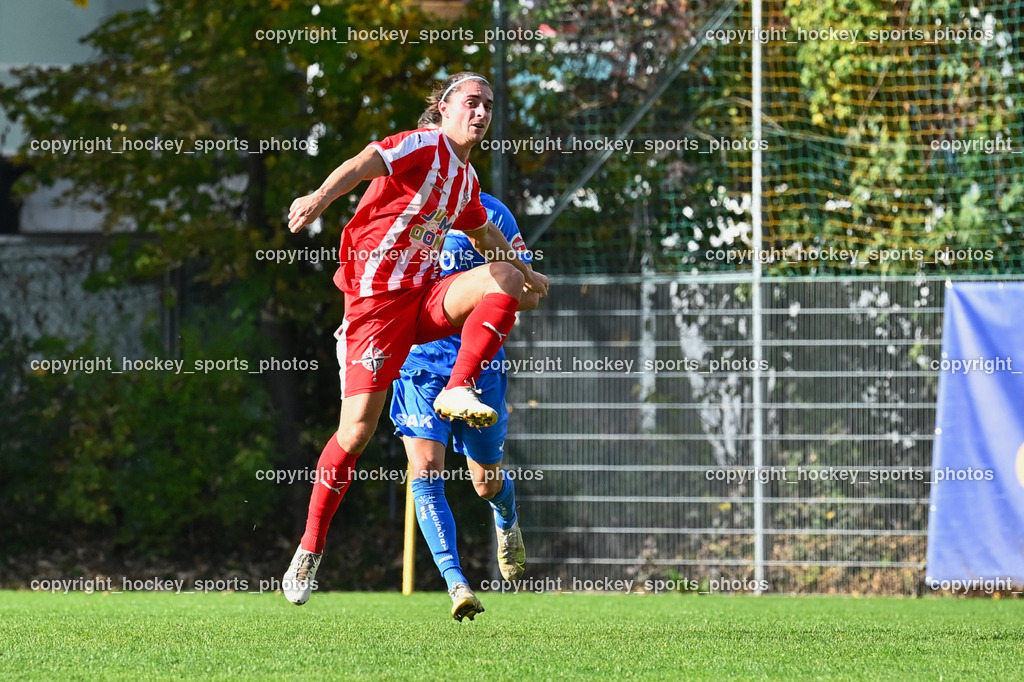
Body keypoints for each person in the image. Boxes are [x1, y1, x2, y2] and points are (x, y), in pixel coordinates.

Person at [281, 72, 548, 608]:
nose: (481, 112)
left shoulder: (467, 184)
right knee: (355, 435)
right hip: (375, 313)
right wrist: (318, 196)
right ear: (444, 108)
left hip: (422, 306)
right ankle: (310, 548)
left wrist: (526, 270)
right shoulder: (424, 143)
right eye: (471, 102)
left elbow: (487, 237)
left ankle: (460, 386)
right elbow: (362, 163)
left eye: (488, 106)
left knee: (506, 279)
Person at [391, 113, 538, 621]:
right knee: (425, 471)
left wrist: (502, 279)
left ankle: (506, 518)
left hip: (480, 371)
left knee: (485, 482)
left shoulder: (491, 214)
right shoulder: (404, 217)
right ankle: (458, 586)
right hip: (418, 365)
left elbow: (526, 294)